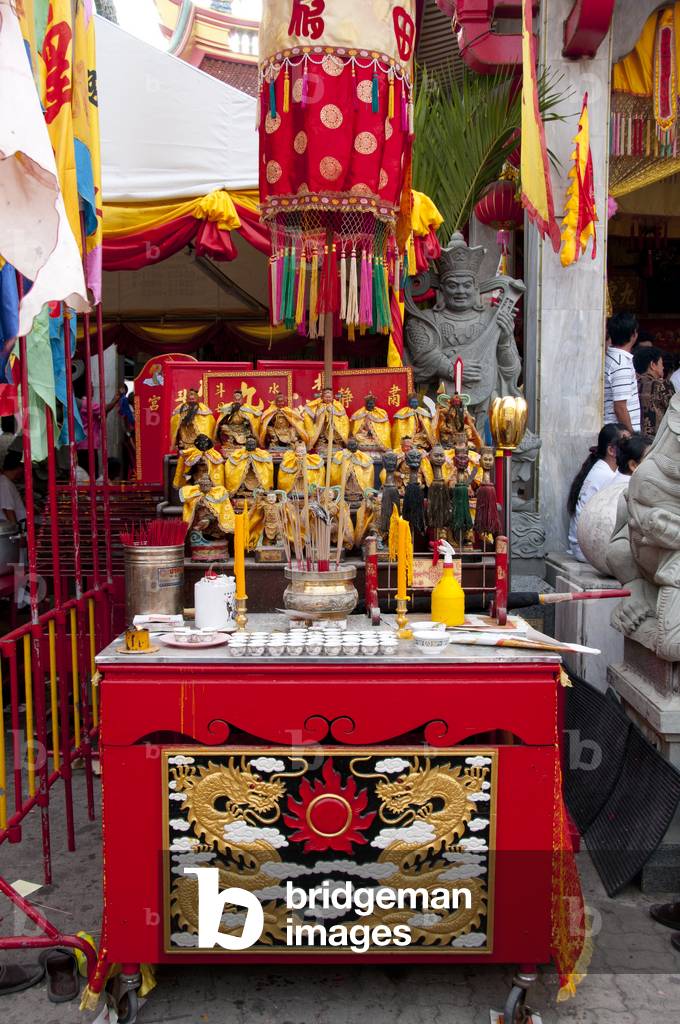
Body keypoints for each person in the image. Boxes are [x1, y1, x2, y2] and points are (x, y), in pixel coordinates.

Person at [567, 423, 627, 561]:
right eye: (625, 444)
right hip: (586, 547)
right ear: (611, 450)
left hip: (581, 545)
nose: (630, 448)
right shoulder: (607, 474)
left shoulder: (605, 468)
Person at [604, 312, 640, 433]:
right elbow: (620, 407)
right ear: (633, 334)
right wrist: (631, 436)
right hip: (619, 434)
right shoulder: (621, 364)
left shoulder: (611, 356)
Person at [634, 345, 671, 440]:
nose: (663, 367)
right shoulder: (662, 385)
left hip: (637, 439)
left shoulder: (632, 384)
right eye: (661, 363)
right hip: (658, 440)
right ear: (652, 365)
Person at [0, 450, 26, 525]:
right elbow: (8, 510)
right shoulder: (4, 483)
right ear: (19, 468)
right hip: (13, 526)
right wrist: (16, 531)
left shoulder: (7, 481)